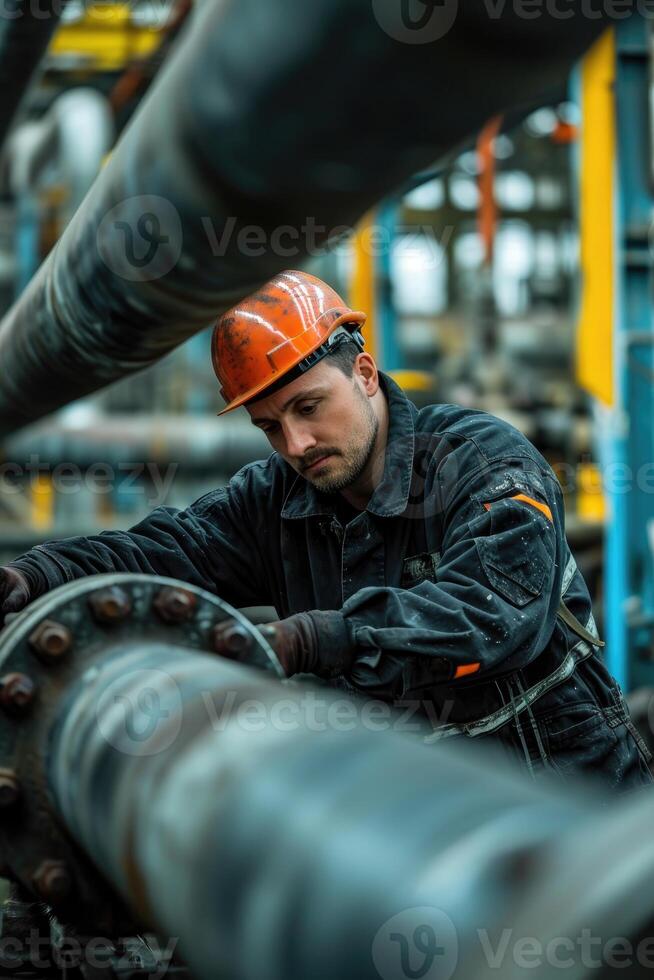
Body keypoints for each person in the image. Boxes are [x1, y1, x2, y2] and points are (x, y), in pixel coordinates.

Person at [0, 270, 650, 791]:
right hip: (416, 809)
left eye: (309, 407)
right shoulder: (275, 500)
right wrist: (35, 576)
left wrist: (315, 639)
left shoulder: (479, 462)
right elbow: (168, 547)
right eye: (270, 426)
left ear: (363, 374)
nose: (297, 443)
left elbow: (493, 612)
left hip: (566, 799)